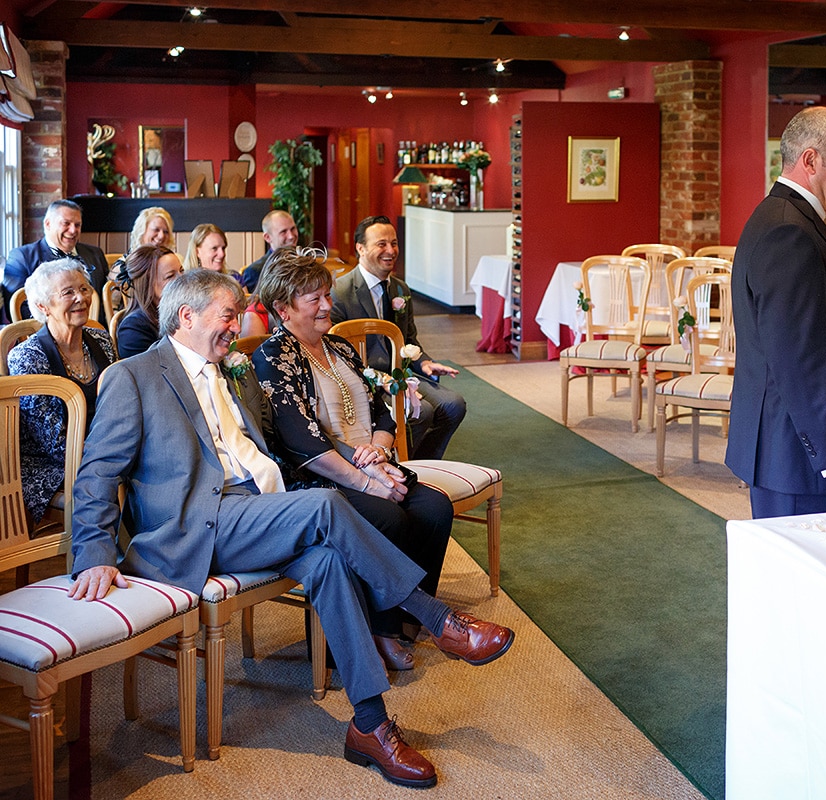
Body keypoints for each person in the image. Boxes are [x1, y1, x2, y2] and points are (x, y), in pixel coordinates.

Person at [68, 268, 514, 789]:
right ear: (186, 316)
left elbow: (275, 444)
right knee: (324, 506)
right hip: (194, 527)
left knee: (327, 560)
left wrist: (364, 460)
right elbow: (97, 472)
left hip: (257, 508)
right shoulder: (134, 376)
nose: (236, 327)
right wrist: (94, 552)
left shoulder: (230, 371)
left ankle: (369, 725)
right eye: (227, 315)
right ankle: (439, 620)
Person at [253, 246, 454, 671]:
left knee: (435, 507)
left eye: (327, 294)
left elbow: (382, 407)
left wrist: (380, 451)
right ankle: (376, 631)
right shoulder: (274, 357)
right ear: (283, 309)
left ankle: (404, 618)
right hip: (319, 479)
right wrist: (367, 480)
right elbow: (301, 445)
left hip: (372, 463)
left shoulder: (340, 347)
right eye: (315, 299)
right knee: (389, 514)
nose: (328, 305)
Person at [725, 106, 826, 518]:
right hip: (796, 455)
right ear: (811, 160)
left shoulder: (786, 218)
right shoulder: (788, 231)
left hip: (791, 450)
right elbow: (796, 359)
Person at [331, 215, 467, 459]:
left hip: (401, 373)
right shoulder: (340, 293)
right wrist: (380, 379)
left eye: (394, 243)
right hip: (366, 380)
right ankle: (400, 467)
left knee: (453, 405)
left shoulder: (400, 289)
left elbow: (409, 339)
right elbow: (337, 355)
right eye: (381, 244)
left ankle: (424, 463)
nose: (391, 251)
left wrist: (424, 362)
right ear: (360, 248)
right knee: (421, 411)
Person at [7, 259, 116, 523]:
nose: (81, 298)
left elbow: (120, 406)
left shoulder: (101, 340)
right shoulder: (28, 358)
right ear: (44, 306)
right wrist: (113, 456)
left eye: (84, 289)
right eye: (68, 292)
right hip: (50, 465)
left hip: (105, 451)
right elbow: (52, 443)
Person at [3, 199, 109, 323]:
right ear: (48, 224)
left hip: (95, 333)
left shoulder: (95, 254)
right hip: (47, 336)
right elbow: (18, 310)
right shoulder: (22, 257)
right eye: (66, 223)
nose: (73, 230)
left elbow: (104, 304)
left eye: (77, 225)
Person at [184, 222, 268, 336]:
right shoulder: (186, 284)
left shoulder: (234, 279)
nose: (221, 254)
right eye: (214, 249)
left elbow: (246, 310)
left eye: (223, 248)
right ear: (197, 251)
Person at [114, 244, 183, 358]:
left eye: (181, 271)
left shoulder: (182, 313)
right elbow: (147, 373)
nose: (182, 279)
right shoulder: (133, 329)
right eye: (170, 276)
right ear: (148, 284)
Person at [241, 209, 300, 293]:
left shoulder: (307, 264)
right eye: (283, 232)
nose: (291, 236)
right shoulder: (255, 271)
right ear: (267, 237)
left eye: (293, 229)